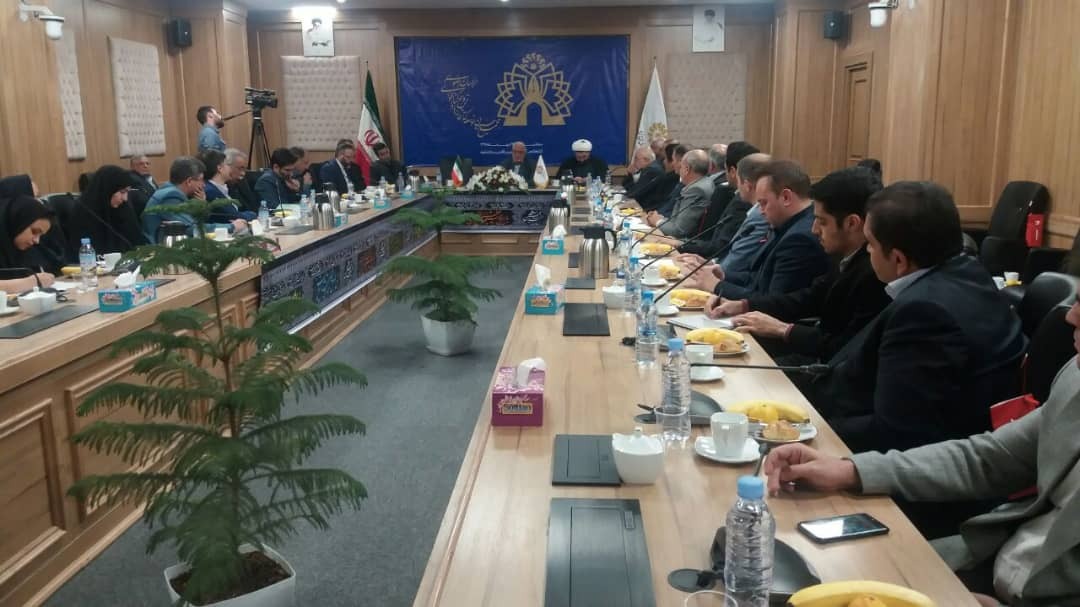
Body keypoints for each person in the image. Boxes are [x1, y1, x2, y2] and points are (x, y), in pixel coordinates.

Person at [763, 293, 1080, 605]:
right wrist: (850, 470)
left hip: (1026, 592)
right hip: (995, 560)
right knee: (801, 576)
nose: (1071, 316)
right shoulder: (1075, 376)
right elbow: (990, 457)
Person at [807, 181, 1026, 454]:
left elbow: (897, 431)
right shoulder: (970, 271)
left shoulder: (925, 314)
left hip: (912, 460)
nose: (867, 252)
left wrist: (809, 428)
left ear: (899, 260)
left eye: (870, 244)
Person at [708, 166, 890, 362]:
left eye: (822, 221)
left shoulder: (877, 272)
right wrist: (743, 305)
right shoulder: (844, 255)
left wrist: (783, 329)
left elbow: (845, 347)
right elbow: (808, 298)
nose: (814, 229)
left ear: (851, 223)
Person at [679, 159, 829, 299]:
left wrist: (717, 286)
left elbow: (773, 302)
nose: (761, 211)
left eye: (763, 203)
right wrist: (722, 275)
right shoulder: (786, 224)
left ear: (786, 197)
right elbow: (758, 278)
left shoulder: (799, 239)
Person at [677, 142, 761, 258]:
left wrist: (680, 245)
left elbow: (720, 246)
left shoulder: (742, 202)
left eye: (725, 170)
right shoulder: (734, 194)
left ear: (733, 172)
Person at [142, 157, 245, 243]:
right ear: (189, 181)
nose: (203, 185)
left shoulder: (170, 191)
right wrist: (232, 226)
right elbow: (191, 229)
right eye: (201, 180)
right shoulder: (170, 196)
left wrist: (201, 206)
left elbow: (193, 224)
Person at [65, 165, 147, 261]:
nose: (125, 198)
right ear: (108, 189)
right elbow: (84, 254)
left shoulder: (123, 208)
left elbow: (137, 241)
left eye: (127, 192)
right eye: (122, 192)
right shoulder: (84, 212)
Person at [646, 149, 714, 239]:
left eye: (681, 166)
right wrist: (661, 219)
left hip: (682, 242)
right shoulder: (706, 182)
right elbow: (677, 220)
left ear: (687, 169)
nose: (679, 169)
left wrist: (657, 222)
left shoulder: (696, 190)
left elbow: (678, 231)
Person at [0, 194, 57, 292]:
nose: (36, 241)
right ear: (18, 221)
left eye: (40, 235)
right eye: (34, 232)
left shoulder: (21, 249)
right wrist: (30, 282)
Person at [200, 150, 255, 224]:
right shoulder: (210, 191)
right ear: (220, 168)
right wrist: (252, 214)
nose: (229, 168)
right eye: (227, 165)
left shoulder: (222, 188)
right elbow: (235, 216)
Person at [649, 144, 689, 218]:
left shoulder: (687, 185)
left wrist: (658, 217)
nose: (672, 163)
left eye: (673, 160)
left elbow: (675, 211)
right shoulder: (677, 179)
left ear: (681, 162)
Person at [224, 149, 258, 214]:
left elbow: (254, 208)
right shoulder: (219, 189)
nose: (243, 173)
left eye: (244, 169)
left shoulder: (242, 183)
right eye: (239, 169)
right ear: (227, 167)